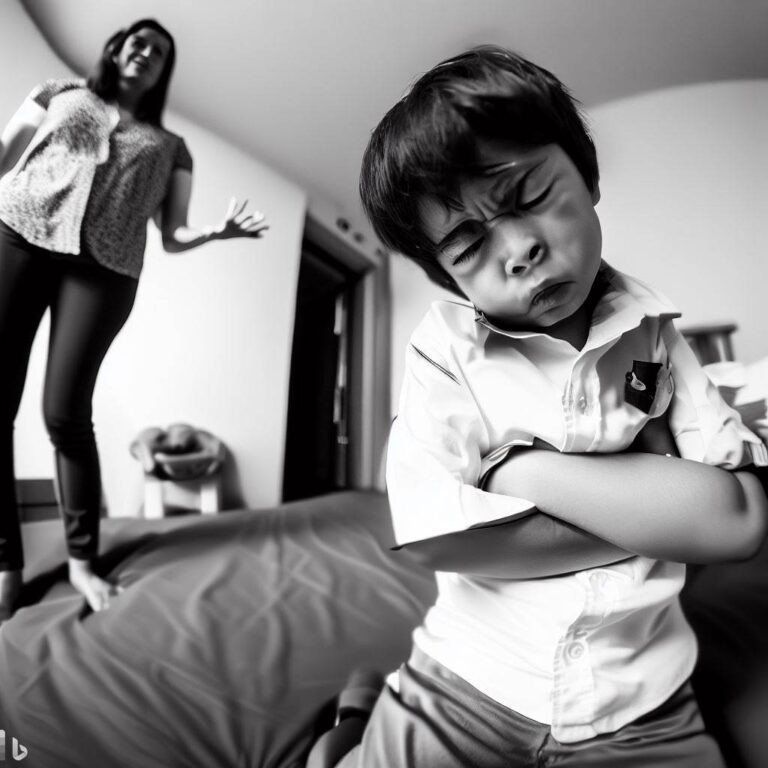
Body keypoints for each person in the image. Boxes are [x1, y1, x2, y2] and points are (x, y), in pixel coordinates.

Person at [307, 46, 768, 767]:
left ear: (585, 176)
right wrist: (663, 510)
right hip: (466, 683)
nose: (518, 249)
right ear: (448, 276)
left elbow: (739, 521)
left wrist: (520, 472)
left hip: (645, 703)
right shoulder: (446, 351)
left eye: (529, 196)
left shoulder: (655, 333)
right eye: (467, 243)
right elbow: (436, 536)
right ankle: (351, 720)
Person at [0, 18, 268, 623]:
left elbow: (172, 234)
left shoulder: (172, 147)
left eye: (160, 52)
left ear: (162, 71)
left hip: (107, 267)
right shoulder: (57, 92)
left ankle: (82, 563)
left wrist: (215, 232)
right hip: (17, 234)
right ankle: (6, 565)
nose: (146, 53)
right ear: (117, 48)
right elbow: (4, 155)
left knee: (65, 414)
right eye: (139, 42)